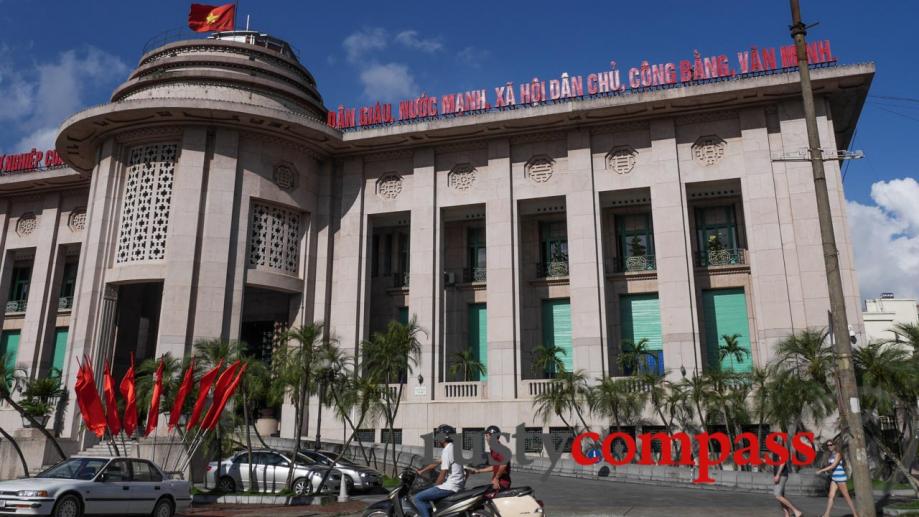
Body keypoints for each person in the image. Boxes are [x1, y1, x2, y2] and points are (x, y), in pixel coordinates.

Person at [415, 424, 466, 517]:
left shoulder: (447, 450)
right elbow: (437, 462)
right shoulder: (453, 448)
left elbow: (443, 472)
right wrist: (422, 470)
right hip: (457, 485)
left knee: (418, 498)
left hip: (450, 486)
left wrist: (437, 485)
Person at [816, 439, 859, 517]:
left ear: (834, 445)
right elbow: (830, 466)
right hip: (834, 478)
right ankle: (826, 515)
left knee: (846, 497)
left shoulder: (838, 454)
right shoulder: (831, 454)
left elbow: (833, 465)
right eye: (828, 445)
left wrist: (821, 470)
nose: (829, 446)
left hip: (840, 478)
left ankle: (855, 515)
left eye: (831, 445)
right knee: (831, 496)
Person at [476, 425, 511, 490]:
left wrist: (496, 478)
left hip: (502, 483)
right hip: (498, 482)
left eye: (487, 436)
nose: (486, 438)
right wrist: (479, 471)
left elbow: (503, 465)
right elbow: (495, 467)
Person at [771, 453, 802, 517]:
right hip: (780, 475)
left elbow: (783, 462)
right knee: (781, 496)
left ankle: (796, 511)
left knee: (777, 495)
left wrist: (778, 475)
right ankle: (787, 514)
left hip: (782, 475)